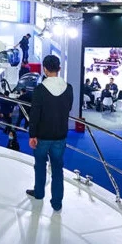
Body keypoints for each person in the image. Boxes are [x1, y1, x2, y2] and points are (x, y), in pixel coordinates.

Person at [26, 55, 73, 212]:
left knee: (40, 166)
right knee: (58, 170)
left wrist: (32, 135)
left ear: (44, 69)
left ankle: (39, 193)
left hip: (42, 136)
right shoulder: (68, 88)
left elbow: (34, 114)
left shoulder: (40, 90)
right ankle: (57, 203)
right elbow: (68, 108)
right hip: (60, 135)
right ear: (59, 68)